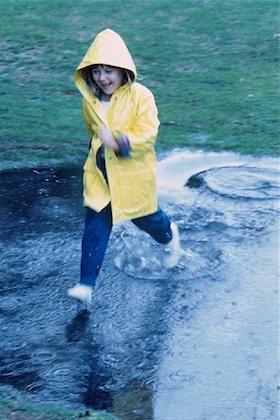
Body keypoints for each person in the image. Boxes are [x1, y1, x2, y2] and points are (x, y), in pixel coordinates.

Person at [68, 29, 180, 307]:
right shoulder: (90, 101)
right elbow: (93, 131)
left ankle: (169, 234)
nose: (102, 78)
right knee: (95, 224)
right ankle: (86, 285)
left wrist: (119, 142)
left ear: (122, 71)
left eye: (109, 71)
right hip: (100, 175)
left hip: (132, 174)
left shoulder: (141, 96)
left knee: (144, 218)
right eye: (97, 72)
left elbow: (148, 133)